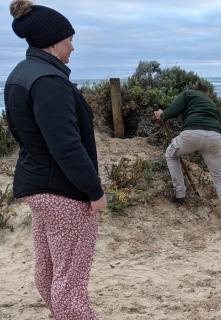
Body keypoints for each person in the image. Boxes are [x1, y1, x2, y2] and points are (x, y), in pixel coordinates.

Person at [4, 1, 106, 319]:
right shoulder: (49, 81)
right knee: (69, 285)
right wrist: (94, 191)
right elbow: (66, 146)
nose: (73, 46)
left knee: (49, 272)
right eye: (69, 39)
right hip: (63, 191)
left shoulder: (21, 75)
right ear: (53, 41)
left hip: (40, 188)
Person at [154, 83, 221, 230]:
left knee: (171, 154)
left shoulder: (188, 93)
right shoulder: (211, 102)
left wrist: (161, 115)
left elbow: (172, 111)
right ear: (206, 93)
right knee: (220, 178)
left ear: (195, 89)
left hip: (192, 135)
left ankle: (180, 194)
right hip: (215, 137)